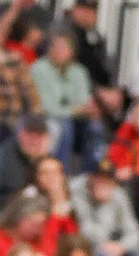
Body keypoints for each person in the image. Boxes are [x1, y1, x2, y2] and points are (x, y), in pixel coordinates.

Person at [30, 31, 97, 168]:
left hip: (75, 119)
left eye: (64, 47)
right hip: (45, 118)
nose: (59, 51)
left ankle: (90, 175)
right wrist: (74, 110)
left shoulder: (79, 71)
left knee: (95, 128)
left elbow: (85, 103)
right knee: (64, 126)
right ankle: (61, 172)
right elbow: (48, 107)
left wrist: (77, 109)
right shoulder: (39, 69)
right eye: (56, 46)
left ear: (71, 51)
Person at [0, 112, 52, 222]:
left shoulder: (49, 162)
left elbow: (58, 193)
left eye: (39, 135)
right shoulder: (2, 156)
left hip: (40, 220)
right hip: (7, 219)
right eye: (30, 134)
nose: (34, 140)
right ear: (20, 133)